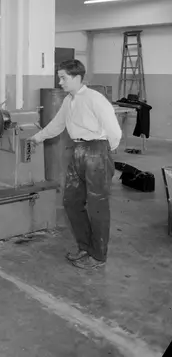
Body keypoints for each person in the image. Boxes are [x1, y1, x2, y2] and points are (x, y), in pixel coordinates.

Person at [30, 59, 122, 270]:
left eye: (63, 78)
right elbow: (57, 125)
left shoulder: (94, 99)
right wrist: (38, 137)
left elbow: (114, 130)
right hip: (78, 150)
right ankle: (85, 248)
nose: (60, 82)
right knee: (71, 202)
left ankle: (98, 256)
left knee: (98, 206)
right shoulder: (68, 100)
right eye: (59, 78)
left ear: (77, 77)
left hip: (96, 151)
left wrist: (104, 152)